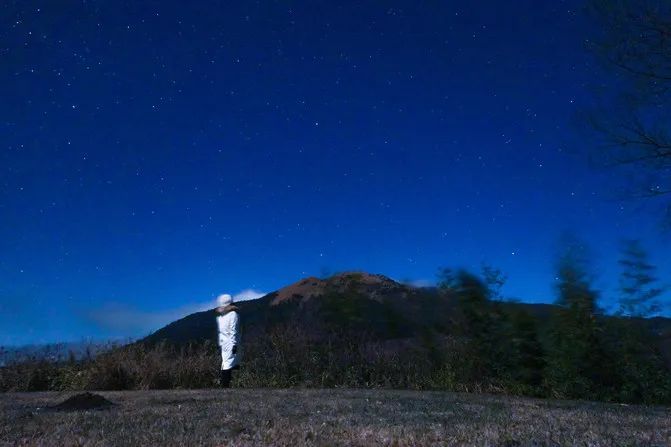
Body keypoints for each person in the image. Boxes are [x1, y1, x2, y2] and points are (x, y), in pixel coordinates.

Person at [215, 293, 240, 388]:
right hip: (230, 342)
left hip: (223, 343)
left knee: (225, 364)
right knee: (229, 364)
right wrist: (234, 344)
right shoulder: (233, 314)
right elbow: (233, 330)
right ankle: (225, 386)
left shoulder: (221, 317)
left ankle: (225, 385)